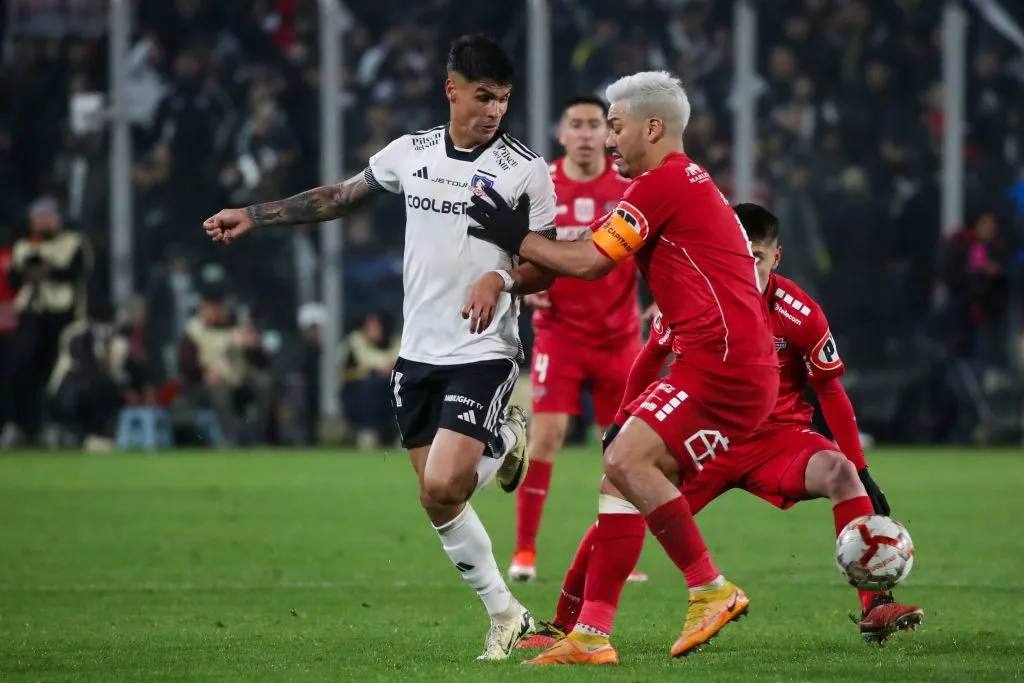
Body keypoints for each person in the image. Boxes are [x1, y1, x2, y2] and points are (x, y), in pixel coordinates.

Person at [203, 35, 561, 660]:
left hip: (484, 349)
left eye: (503, 99)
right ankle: (507, 613)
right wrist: (254, 215)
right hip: (417, 351)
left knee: (445, 482)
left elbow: (549, 263)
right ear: (452, 90)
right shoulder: (410, 153)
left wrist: (500, 278)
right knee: (438, 498)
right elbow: (340, 198)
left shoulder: (525, 169)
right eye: (483, 96)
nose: (495, 110)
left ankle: (503, 437)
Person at [519, 204, 925, 662]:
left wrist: (862, 469)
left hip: (776, 441)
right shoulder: (693, 298)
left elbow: (829, 388)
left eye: (759, 258)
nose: (748, 266)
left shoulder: (800, 313)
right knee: (621, 502)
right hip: (707, 439)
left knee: (840, 473)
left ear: (777, 257)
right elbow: (650, 357)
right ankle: (565, 623)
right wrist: (622, 423)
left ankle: (876, 605)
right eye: (740, 255)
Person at [465, 71, 779, 663]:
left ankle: (710, 588)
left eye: (615, 125)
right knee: (619, 484)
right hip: (723, 361)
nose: (608, 139)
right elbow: (585, 255)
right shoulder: (681, 182)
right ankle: (589, 634)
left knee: (625, 461)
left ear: (652, 128)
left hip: (722, 364)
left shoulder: (662, 184)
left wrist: (516, 238)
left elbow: (588, 263)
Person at [508, 96, 646, 584]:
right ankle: (525, 551)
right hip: (560, 333)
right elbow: (510, 243)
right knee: (547, 437)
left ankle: (619, 556)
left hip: (619, 336)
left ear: (607, 134)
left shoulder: (629, 185)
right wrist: (525, 285)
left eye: (594, 124)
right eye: (576, 124)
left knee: (623, 450)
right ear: (561, 133)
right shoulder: (540, 183)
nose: (586, 133)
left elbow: (658, 246)